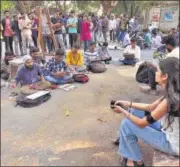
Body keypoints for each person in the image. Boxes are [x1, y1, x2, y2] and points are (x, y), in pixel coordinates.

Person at [112, 57, 179, 167]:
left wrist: (123, 110)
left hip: (172, 145)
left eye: (158, 70)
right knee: (135, 111)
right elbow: (150, 107)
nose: (155, 72)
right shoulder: (173, 93)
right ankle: (127, 148)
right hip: (170, 131)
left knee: (126, 124)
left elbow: (142, 123)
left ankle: (135, 161)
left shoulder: (169, 101)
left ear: (164, 76)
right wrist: (127, 104)